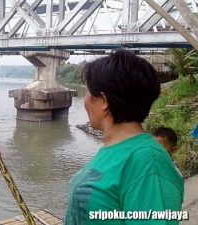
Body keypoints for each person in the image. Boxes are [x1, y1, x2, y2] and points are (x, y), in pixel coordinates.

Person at [64, 50, 184, 225]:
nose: (85, 101)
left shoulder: (148, 162)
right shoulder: (115, 150)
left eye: (88, 93)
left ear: (104, 101)